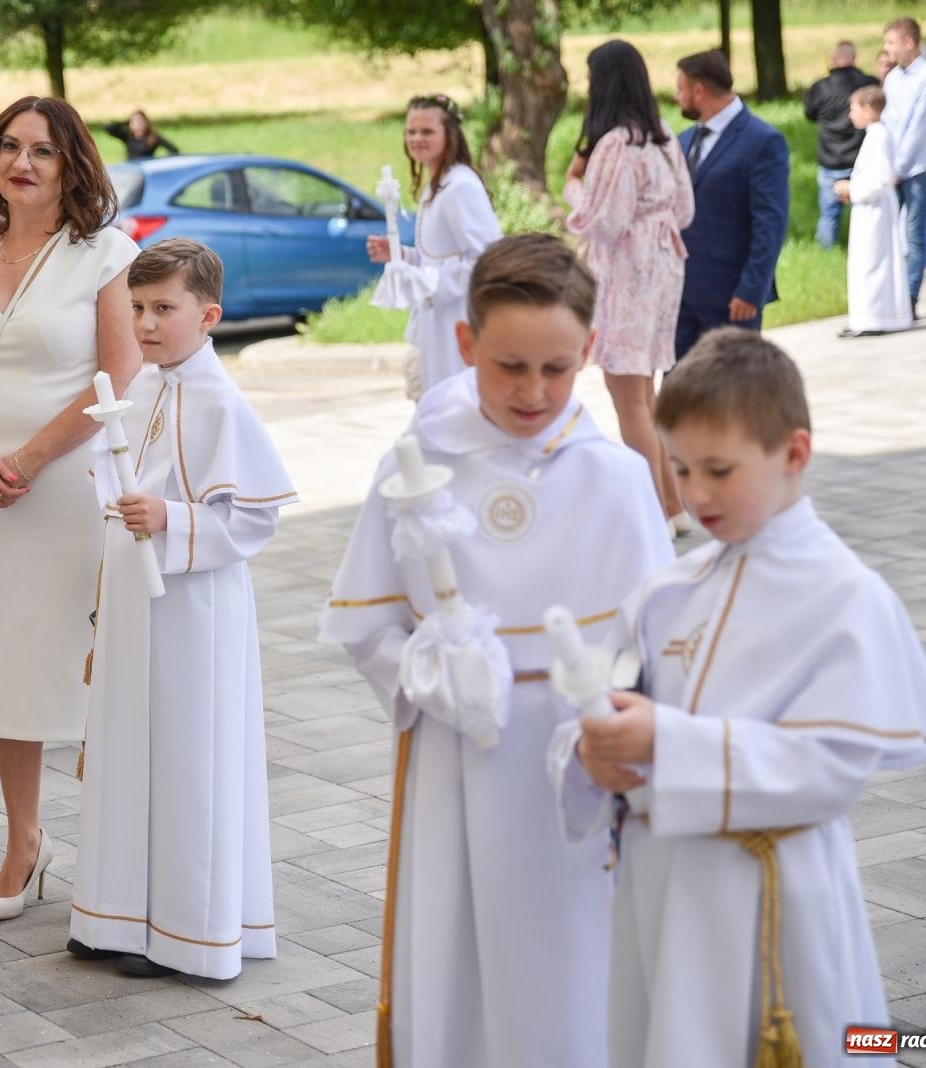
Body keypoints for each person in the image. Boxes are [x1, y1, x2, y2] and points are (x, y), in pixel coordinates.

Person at [549, 329, 926, 1068]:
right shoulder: (665, 592)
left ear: (793, 453)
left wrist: (665, 742)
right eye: (679, 468)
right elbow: (608, 710)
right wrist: (591, 757)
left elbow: (831, 770)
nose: (696, 493)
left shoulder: (844, 596)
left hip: (773, 900)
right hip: (662, 895)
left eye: (719, 469)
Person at [318, 235, 673, 1067]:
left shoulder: (617, 478)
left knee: (573, 965)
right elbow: (366, 622)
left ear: (590, 349)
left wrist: (625, 720)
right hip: (456, 756)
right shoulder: (417, 461)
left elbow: (657, 649)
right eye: (510, 366)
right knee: (463, 958)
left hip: (575, 770)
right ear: (466, 342)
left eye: (557, 369)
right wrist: (430, 669)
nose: (533, 392)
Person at [0, 96, 140, 922]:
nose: (21, 162)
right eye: (8, 146)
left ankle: (116, 847)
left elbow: (118, 379)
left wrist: (27, 458)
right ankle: (24, 843)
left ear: (71, 164)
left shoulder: (105, 255)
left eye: (42, 151)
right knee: (7, 663)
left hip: (71, 488)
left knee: (94, 666)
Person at [68, 239, 296, 981]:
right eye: (137, 307)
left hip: (194, 607)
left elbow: (253, 519)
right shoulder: (143, 388)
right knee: (128, 745)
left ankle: (186, 932)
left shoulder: (222, 403)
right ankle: (114, 915)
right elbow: (119, 475)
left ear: (208, 316)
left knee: (186, 754)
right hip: (137, 602)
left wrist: (170, 517)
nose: (145, 323)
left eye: (163, 308)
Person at [565, 40, 695, 535]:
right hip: (664, 265)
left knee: (628, 394)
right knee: (645, 391)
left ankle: (657, 511)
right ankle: (673, 505)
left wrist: (573, 186)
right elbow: (685, 211)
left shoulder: (616, 145)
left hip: (628, 271)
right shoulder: (664, 137)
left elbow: (605, 221)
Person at [368, 93, 502, 397]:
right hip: (437, 320)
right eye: (411, 132)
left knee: (457, 399)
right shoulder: (436, 185)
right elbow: (438, 256)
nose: (417, 139)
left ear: (449, 134)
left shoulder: (460, 187)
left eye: (427, 131)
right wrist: (402, 255)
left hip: (459, 316)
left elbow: (486, 259)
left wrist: (426, 281)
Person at [673, 51, 789, 359]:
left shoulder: (762, 141)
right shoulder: (683, 141)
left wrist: (752, 289)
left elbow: (770, 222)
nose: (677, 96)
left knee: (732, 383)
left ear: (698, 90)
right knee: (678, 383)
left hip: (732, 298)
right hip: (681, 295)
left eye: (681, 89)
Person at [835, 87, 911, 338]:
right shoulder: (874, 135)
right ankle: (864, 316)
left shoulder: (878, 136)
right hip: (869, 208)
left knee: (872, 262)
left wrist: (851, 188)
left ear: (868, 110)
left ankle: (875, 317)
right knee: (865, 261)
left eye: (853, 109)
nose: (850, 115)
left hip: (876, 209)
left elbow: (881, 178)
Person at [881, 17, 926, 315]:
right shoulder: (893, 78)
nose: (887, 48)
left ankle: (910, 297)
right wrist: (885, 163)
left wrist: (899, 167)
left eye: (891, 42)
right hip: (891, 167)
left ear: (909, 42)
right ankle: (890, 295)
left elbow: (917, 127)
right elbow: (887, 123)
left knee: (913, 232)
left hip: (915, 166)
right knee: (889, 233)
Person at [803, 41, 879, 248]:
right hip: (859, 159)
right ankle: (865, 249)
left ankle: (826, 253)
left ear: (833, 60)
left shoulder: (820, 88)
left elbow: (810, 115)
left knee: (828, 215)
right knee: (863, 213)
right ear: (853, 58)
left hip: (830, 160)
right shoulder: (869, 85)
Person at [104, 109, 179, 160]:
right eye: (134, 121)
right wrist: (125, 122)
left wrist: (159, 162)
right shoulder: (128, 136)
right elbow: (109, 129)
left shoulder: (152, 137)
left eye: (140, 121)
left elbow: (174, 150)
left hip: (146, 170)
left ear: (146, 122)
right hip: (132, 170)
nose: (137, 124)